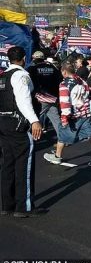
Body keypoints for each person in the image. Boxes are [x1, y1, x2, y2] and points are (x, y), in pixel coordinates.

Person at [0, 46, 44, 217]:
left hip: (3, 122)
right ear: (24, 59)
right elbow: (23, 100)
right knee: (23, 165)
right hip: (18, 123)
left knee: (7, 165)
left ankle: (6, 204)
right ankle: (23, 206)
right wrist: (34, 120)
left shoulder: (3, 76)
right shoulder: (21, 76)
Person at [43, 61, 91, 167]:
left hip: (74, 114)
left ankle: (57, 156)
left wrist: (64, 118)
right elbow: (88, 92)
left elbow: (64, 102)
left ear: (64, 72)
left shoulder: (64, 84)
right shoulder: (82, 81)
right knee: (90, 134)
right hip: (85, 112)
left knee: (63, 135)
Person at [28, 50, 62, 133]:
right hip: (53, 97)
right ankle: (63, 139)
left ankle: (28, 138)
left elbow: (30, 84)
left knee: (33, 118)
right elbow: (60, 80)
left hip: (41, 98)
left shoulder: (33, 69)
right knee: (56, 119)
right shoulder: (52, 67)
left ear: (34, 58)